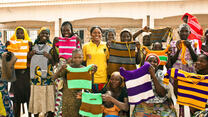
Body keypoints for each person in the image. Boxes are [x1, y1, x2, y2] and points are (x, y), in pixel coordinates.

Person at [53, 48, 97, 117]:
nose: (77, 59)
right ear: (72, 58)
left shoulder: (84, 69)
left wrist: (92, 73)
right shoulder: (67, 68)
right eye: (75, 57)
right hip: (67, 98)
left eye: (79, 57)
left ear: (83, 57)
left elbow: (89, 85)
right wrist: (61, 69)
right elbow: (54, 77)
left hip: (79, 99)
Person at [52, 21, 81, 117]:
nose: (66, 32)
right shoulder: (58, 40)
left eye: (68, 30)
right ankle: (58, 113)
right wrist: (53, 44)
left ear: (72, 30)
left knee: (72, 91)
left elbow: (79, 54)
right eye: (63, 30)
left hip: (73, 67)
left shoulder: (76, 39)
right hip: (61, 66)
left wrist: (72, 59)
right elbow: (56, 56)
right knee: (60, 89)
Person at [28, 27, 54, 117]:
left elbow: (55, 62)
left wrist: (50, 57)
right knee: (37, 97)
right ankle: (37, 113)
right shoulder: (32, 47)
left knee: (48, 97)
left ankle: (48, 114)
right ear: (39, 35)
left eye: (47, 34)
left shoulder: (51, 48)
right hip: (36, 77)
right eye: (43, 33)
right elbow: (27, 60)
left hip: (47, 77)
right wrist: (30, 54)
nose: (45, 35)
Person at [6, 26, 32, 117]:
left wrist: (29, 50)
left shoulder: (29, 44)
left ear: (25, 34)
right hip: (16, 77)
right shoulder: (11, 44)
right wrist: (8, 47)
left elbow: (31, 59)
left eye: (21, 33)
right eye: (17, 33)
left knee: (29, 98)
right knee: (16, 100)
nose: (19, 35)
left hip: (26, 76)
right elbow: (8, 60)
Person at [83, 26, 108, 92]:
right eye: (94, 32)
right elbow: (83, 62)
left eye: (99, 33)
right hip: (90, 79)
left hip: (103, 78)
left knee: (102, 100)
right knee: (91, 100)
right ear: (91, 34)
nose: (97, 34)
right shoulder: (86, 46)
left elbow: (108, 61)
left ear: (101, 34)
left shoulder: (106, 45)